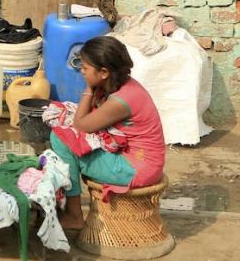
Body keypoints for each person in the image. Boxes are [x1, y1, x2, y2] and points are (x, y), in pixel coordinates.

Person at [52, 35, 166, 230]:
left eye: (86, 68)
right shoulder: (122, 85)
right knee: (66, 138)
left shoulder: (121, 101)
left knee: (61, 141)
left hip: (135, 168)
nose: (81, 71)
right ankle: (71, 209)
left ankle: (74, 215)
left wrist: (88, 89)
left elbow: (80, 125)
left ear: (104, 72)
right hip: (137, 159)